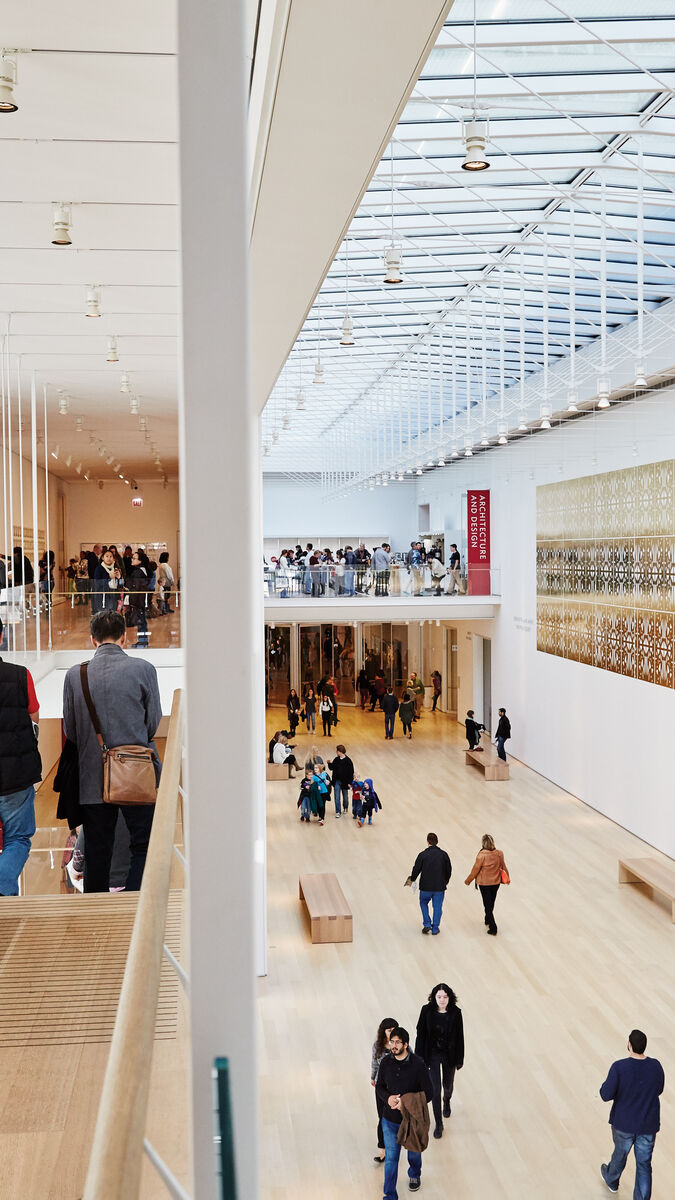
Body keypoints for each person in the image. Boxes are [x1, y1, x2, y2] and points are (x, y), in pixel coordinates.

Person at [62, 609, 162, 892]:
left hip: (92, 774)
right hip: (136, 772)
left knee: (97, 849)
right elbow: (152, 723)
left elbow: (71, 730)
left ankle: (98, 910)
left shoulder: (75, 675)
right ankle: (132, 902)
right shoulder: (144, 669)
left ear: (92, 639)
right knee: (142, 844)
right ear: (125, 637)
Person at [0, 617, 41, 895]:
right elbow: (34, 717)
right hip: (15, 777)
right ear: (1, 637)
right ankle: (4, 888)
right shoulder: (19, 674)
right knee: (18, 839)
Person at [599, 1030, 664, 1197]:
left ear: (629, 1045)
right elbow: (659, 1089)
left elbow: (605, 1095)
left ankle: (612, 1180)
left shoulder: (619, 1067)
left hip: (623, 1125)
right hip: (648, 1126)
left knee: (620, 1155)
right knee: (644, 1166)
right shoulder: (656, 1066)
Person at [376, 1025, 433, 1198]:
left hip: (412, 1120)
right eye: (392, 1041)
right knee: (392, 1160)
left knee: (414, 1153)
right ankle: (390, 1195)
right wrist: (388, 1098)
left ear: (406, 1044)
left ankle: (415, 1173)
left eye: (398, 1042)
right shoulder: (386, 1062)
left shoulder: (418, 1065)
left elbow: (429, 1093)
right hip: (390, 1121)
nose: (393, 1045)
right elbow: (379, 1086)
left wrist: (405, 1102)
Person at [414, 984, 464, 1140]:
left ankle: (447, 1101)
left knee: (447, 1085)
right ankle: (439, 1123)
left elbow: (460, 1037)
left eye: (445, 997)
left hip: (449, 1054)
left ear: (450, 998)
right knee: (435, 1089)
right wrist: (419, 1058)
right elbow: (420, 1034)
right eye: (439, 997)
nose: (442, 1000)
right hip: (432, 1054)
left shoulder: (456, 1013)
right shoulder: (426, 1011)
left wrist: (460, 1059)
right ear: (434, 997)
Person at [407, 832, 452, 936]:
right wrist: (445, 881)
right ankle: (435, 928)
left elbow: (416, 869)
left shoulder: (422, 855)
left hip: (425, 887)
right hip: (439, 887)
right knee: (437, 907)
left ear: (428, 842)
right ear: (437, 842)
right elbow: (449, 870)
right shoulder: (444, 855)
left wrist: (412, 879)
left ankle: (427, 923)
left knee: (423, 903)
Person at [464, 833, 508, 936]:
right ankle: (488, 919)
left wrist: (468, 880)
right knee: (491, 903)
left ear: (483, 843)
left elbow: (475, 870)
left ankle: (493, 927)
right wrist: (507, 878)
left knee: (487, 904)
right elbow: (504, 867)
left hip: (484, 883)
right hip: (496, 882)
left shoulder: (481, 855)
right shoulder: (499, 853)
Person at [371, 1017, 398, 1164]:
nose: (392, 1032)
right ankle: (383, 1150)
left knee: (395, 1118)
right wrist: (372, 1077)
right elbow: (374, 1062)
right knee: (382, 1117)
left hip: (397, 1087)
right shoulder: (378, 1046)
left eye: (394, 1029)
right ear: (384, 1032)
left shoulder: (402, 1045)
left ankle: (394, 1145)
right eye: (389, 1030)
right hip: (382, 1087)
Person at [93, 548, 123, 614]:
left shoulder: (116, 569)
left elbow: (121, 585)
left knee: (113, 615)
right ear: (103, 558)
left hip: (114, 597)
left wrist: (119, 578)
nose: (109, 558)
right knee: (103, 615)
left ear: (113, 559)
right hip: (102, 597)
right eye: (107, 556)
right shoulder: (99, 569)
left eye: (111, 556)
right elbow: (97, 584)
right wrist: (109, 577)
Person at [328, 744, 354, 818]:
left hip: (345, 782)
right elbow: (332, 768)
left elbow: (351, 772)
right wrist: (329, 763)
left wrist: (350, 783)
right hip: (336, 781)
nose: (336, 752)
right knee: (337, 797)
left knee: (345, 797)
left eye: (337, 751)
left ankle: (345, 807)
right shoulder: (336, 759)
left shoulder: (348, 761)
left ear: (340, 751)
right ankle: (338, 811)